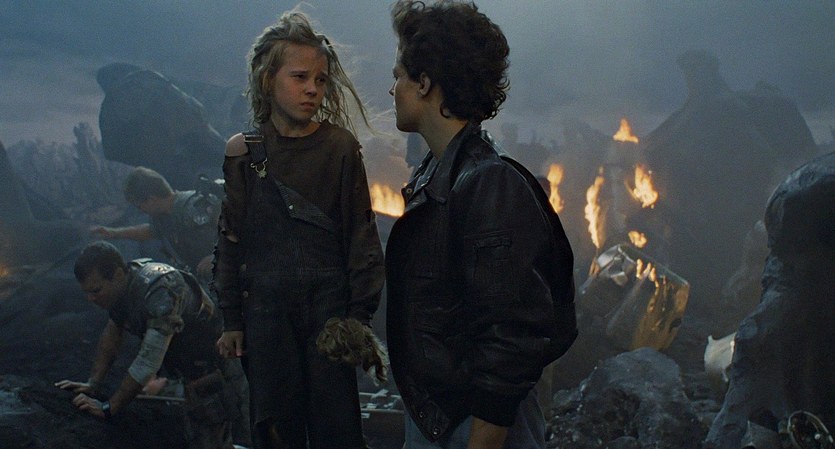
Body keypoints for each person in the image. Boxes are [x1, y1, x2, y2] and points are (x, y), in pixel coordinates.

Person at [385, 1, 575, 448]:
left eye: (399, 76)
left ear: (424, 84)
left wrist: (482, 439)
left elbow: (511, 335)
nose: (392, 89)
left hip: (475, 425)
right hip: (440, 415)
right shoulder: (437, 174)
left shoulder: (489, 184)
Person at [212, 7, 385, 449]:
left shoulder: (339, 148)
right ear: (268, 80)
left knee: (336, 432)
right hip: (266, 315)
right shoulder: (244, 152)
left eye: (320, 80)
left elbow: (361, 236)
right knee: (275, 429)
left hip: (328, 311)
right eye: (300, 77)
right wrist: (232, 319)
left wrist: (357, 319)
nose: (312, 89)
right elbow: (231, 239)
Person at [55, 241, 249, 449]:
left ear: (118, 274)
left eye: (96, 290)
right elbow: (113, 331)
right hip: (191, 370)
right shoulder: (124, 288)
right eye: (87, 292)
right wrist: (93, 383)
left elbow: (148, 360)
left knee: (246, 431)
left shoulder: (161, 288)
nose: (90, 299)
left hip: (223, 364)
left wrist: (109, 407)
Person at [91, 166, 220, 280]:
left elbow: (231, 227)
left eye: (140, 206)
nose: (141, 210)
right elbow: (150, 231)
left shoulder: (195, 206)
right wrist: (114, 233)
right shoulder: (162, 217)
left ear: (151, 200)